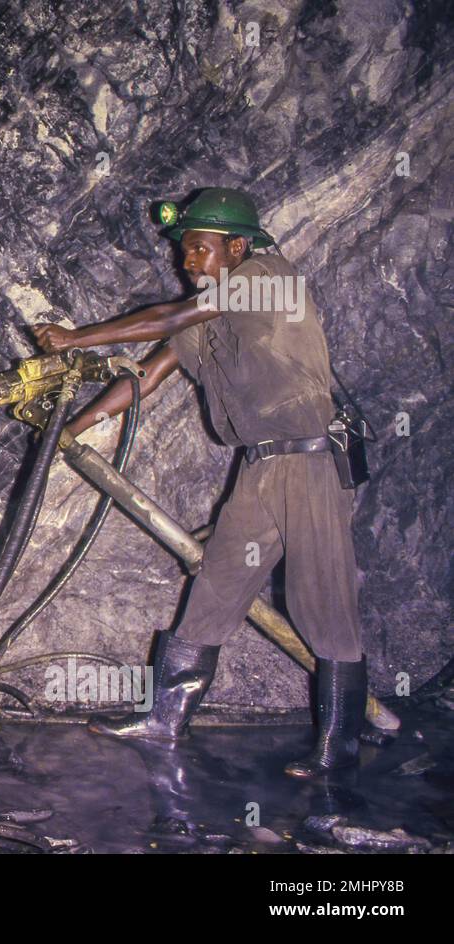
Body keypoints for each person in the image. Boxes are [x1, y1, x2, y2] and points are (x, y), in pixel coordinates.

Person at [34, 188, 368, 779]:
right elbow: (149, 370)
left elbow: (169, 318)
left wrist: (75, 337)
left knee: (322, 602)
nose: (185, 262)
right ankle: (162, 720)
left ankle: (338, 750)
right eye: (184, 252)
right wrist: (76, 429)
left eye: (198, 249)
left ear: (237, 247)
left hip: (312, 460)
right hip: (260, 466)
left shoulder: (269, 277)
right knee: (214, 588)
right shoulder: (209, 314)